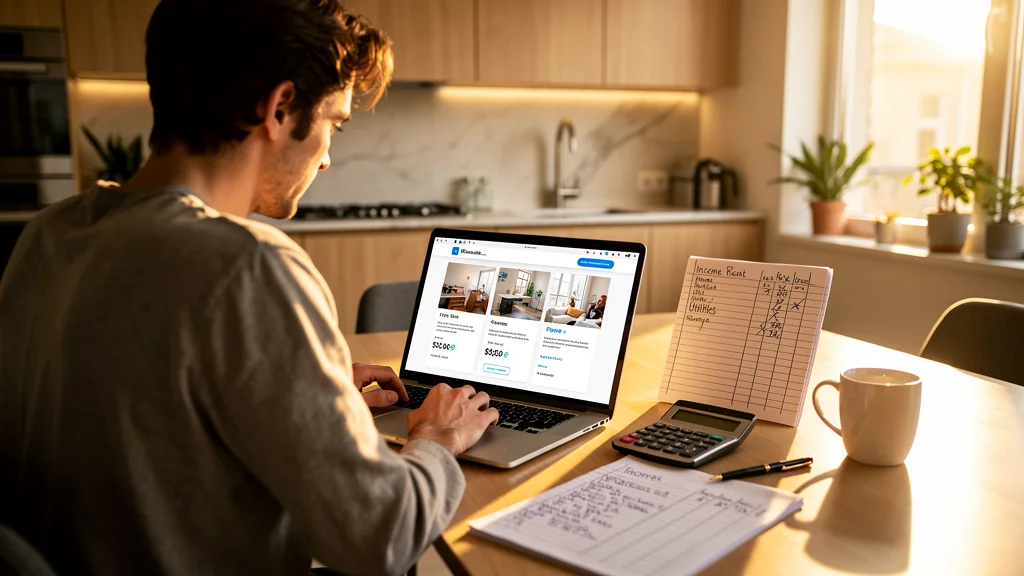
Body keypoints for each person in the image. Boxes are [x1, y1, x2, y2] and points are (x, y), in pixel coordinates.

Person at [0, 1, 498, 575]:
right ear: (281, 108)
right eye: (334, 123)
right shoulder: (248, 267)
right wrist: (437, 436)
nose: (329, 158)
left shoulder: (49, 234)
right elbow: (379, 538)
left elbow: (143, 412)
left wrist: (307, 388)